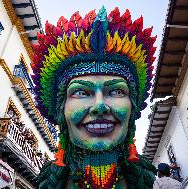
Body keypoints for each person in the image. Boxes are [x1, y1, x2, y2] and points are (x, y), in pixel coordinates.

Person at [32, 7, 157, 189]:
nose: (100, 106)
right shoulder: (51, 183)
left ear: (132, 107)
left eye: (116, 91)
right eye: (81, 92)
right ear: (62, 111)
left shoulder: (149, 182)